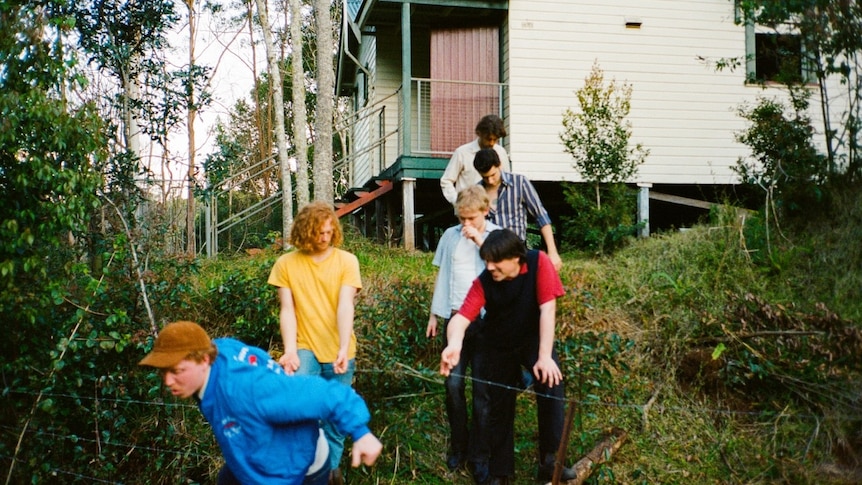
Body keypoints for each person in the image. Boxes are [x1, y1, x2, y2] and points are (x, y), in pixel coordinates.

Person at [138, 321, 383, 485]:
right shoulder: (220, 351)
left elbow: (326, 394)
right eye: (163, 371)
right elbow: (255, 356)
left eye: (177, 370)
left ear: (204, 360)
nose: (168, 380)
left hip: (297, 466)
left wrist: (361, 432)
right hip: (255, 456)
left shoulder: (250, 390)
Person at [439, 229, 576, 485]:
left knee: (551, 385)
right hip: (498, 343)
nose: (489, 266)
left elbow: (548, 309)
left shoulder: (538, 262)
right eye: (487, 260)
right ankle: (500, 472)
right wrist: (454, 344)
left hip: (533, 339)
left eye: (496, 261)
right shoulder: (484, 281)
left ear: (516, 257)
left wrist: (544, 356)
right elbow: (461, 317)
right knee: (499, 404)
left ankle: (550, 460)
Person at [267, 201, 362, 485]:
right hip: (304, 346)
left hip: (340, 349)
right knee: (299, 412)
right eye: (319, 233)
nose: (324, 238)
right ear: (305, 232)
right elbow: (287, 310)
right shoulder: (286, 264)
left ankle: (331, 472)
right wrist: (291, 351)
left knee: (334, 418)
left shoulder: (347, 261)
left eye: (329, 232)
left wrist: (344, 347)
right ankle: (303, 470)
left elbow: (346, 305)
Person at [426, 186, 500, 482]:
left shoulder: (496, 235)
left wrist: (480, 240)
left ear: (485, 211)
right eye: (461, 219)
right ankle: (459, 445)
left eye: (471, 218)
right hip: (456, 320)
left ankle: (480, 455)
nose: (465, 224)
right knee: (453, 387)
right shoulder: (449, 236)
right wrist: (435, 314)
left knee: (482, 393)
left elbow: (500, 271)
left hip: (486, 323)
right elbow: (442, 277)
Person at [473, 148, 563, 271]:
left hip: (517, 252)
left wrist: (552, 252)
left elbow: (540, 216)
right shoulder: (477, 191)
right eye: (485, 177)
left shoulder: (519, 183)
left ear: (500, 165)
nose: (490, 180)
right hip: (488, 255)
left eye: (493, 175)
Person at [440, 114, 511, 205]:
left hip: (494, 210)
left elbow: (507, 180)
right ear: (479, 133)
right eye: (488, 139)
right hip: (467, 211)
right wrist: (458, 201)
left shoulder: (501, 152)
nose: (492, 143)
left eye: (495, 139)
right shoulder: (462, 152)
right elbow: (446, 181)